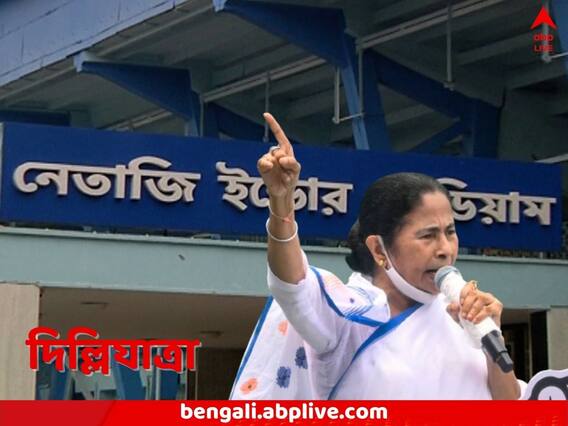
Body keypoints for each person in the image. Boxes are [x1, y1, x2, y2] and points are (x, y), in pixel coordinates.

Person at [230, 113, 524, 400]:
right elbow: (293, 285)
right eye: (428, 235)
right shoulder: (350, 315)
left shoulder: (464, 317)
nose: (445, 248)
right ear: (379, 250)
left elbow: (511, 408)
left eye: (450, 232)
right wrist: (281, 203)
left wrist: (490, 338)